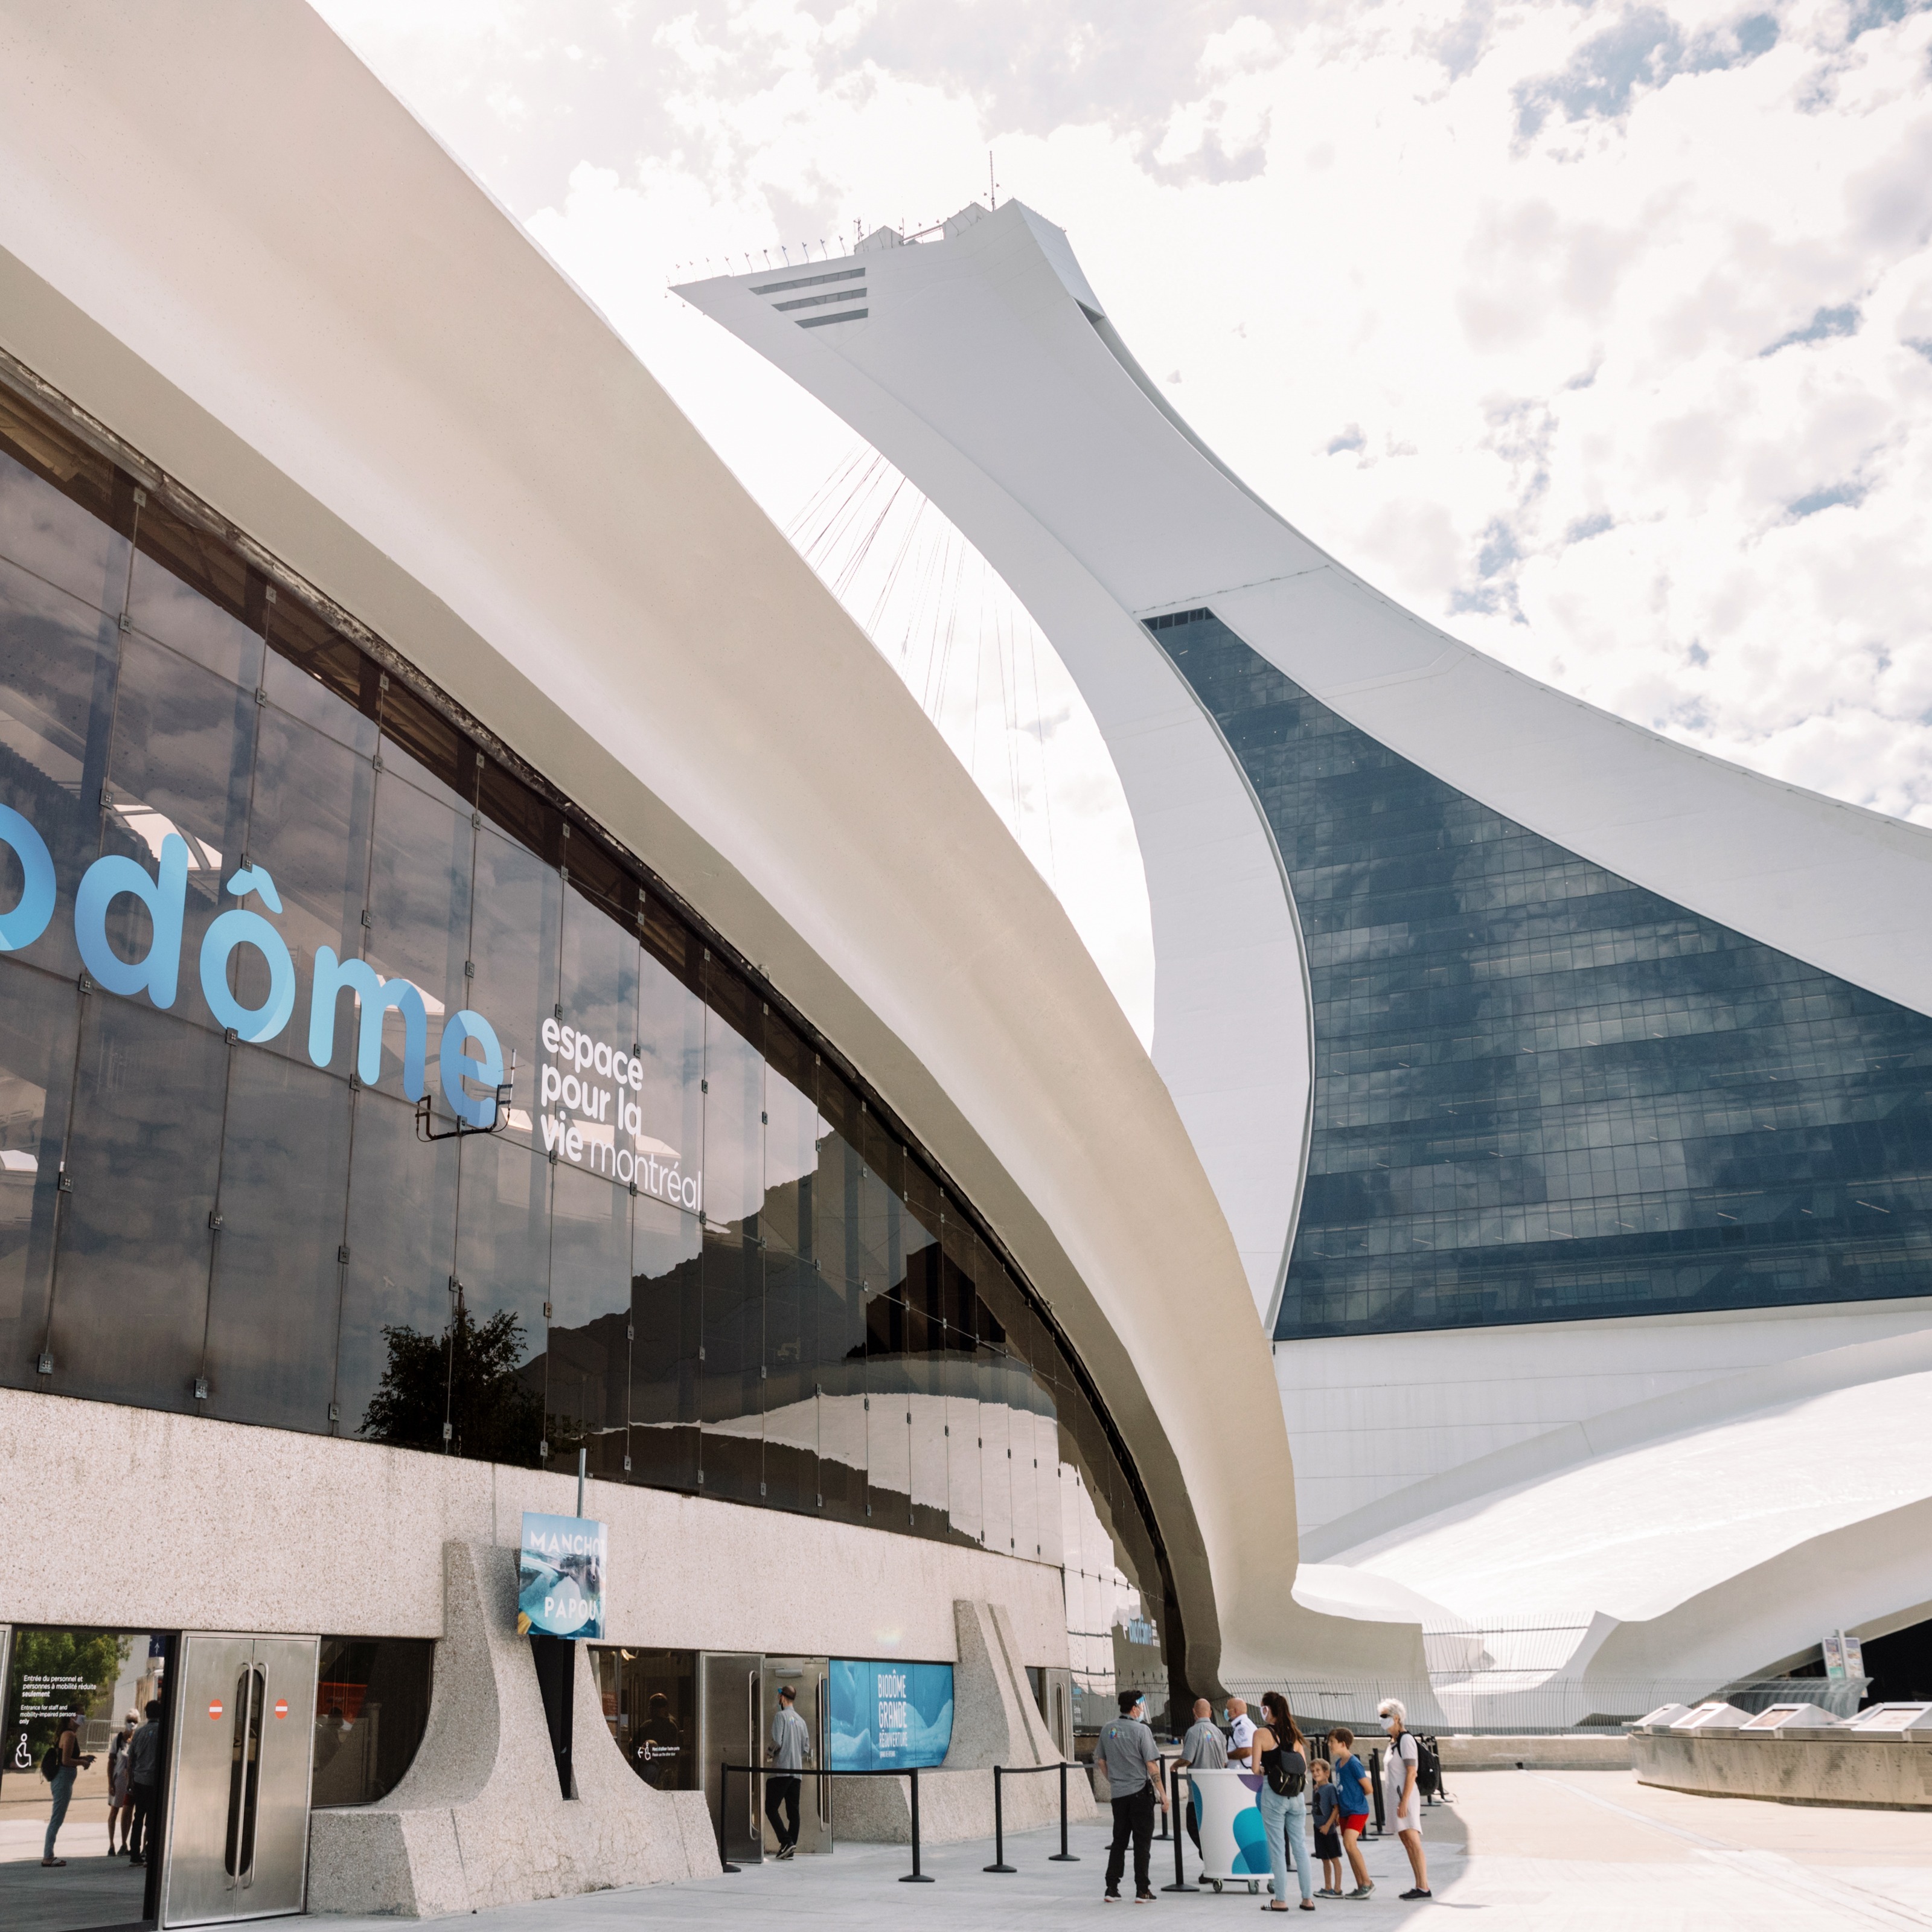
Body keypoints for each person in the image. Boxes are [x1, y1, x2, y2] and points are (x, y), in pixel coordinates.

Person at [1098, 1688, 1166, 1902]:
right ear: (1135, 1707)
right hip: (1140, 1793)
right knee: (1142, 1843)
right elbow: (1151, 1765)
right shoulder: (1141, 1731)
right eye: (1142, 1705)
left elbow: (1101, 1760)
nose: (1143, 1709)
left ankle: (1111, 1888)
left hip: (1119, 1795)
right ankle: (1142, 1889)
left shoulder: (1108, 1729)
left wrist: (1114, 1780)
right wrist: (1163, 1794)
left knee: (1119, 1841)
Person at [1251, 1692, 1313, 1913]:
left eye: (1263, 1707)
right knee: (1300, 1848)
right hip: (1296, 1796)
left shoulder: (1261, 1734)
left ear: (1268, 1709)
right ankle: (1308, 1899)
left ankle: (1280, 1900)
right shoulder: (1294, 1734)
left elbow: (1255, 1768)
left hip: (1273, 1793)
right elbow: (1303, 1767)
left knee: (1277, 1848)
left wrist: (1268, 1769)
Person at [1378, 1700, 1430, 1901]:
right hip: (1398, 1797)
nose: (1381, 1721)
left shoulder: (1406, 1740)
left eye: (1385, 1717)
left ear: (1396, 1718)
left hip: (1405, 1797)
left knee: (1413, 1841)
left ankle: (1423, 1886)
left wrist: (1404, 1801)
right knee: (1407, 1841)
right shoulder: (1393, 1742)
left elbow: (1412, 1772)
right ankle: (1419, 1885)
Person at [764, 1684, 812, 1860]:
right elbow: (806, 1748)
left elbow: (777, 1740)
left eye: (779, 1697)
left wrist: (769, 1753)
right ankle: (790, 1846)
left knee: (771, 1808)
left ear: (783, 1698)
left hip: (781, 1770)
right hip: (796, 1773)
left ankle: (786, 1841)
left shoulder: (781, 1717)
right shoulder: (800, 1720)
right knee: (793, 1812)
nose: (778, 1700)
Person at [42, 1709, 95, 1866]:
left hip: (63, 1779)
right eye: (81, 1714)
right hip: (63, 1778)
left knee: (58, 1817)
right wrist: (82, 1763)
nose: (83, 1717)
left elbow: (66, 1757)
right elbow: (66, 1761)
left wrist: (83, 1758)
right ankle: (48, 1856)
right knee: (57, 1818)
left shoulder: (67, 1734)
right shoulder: (70, 1735)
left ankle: (49, 1855)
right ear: (72, 1716)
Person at [1177, 1697, 1227, 1861]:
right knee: (1212, 1828)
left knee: (1193, 1826)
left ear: (1194, 1712)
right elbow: (1224, 1761)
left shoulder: (1193, 1732)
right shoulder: (1219, 1733)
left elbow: (1188, 1759)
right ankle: (1213, 1858)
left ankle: (1210, 1857)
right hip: (1217, 1790)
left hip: (1198, 1791)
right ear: (1210, 1713)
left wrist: (1174, 1766)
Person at [1328, 1727, 1374, 1899]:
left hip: (1357, 1811)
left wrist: (1354, 1799)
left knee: (1350, 1844)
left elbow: (1369, 1788)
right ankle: (1360, 1885)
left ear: (1343, 1743)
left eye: (1332, 1742)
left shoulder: (1354, 1763)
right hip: (1346, 1811)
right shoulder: (1339, 1764)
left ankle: (1368, 1882)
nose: (1330, 1745)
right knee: (1349, 1848)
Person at [126, 1700, 163, 1867]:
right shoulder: (163, 1732)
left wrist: (130, 1781)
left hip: (139, 1780)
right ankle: (149, 1854)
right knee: (153, 1819)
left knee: (138, 1817)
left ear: (147, 1714)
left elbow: (131, 1759)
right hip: (155, 1780)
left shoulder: (139, 1734)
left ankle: (134, 1855)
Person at [1310, 1759, 1343, 1897]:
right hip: (1318, 1829)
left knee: (1334, 1859)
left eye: (1318, 1770)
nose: (1315, 1773)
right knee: (1324, 1859)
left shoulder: (1330, 1789)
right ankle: (1328, 1886)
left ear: (1327, 1773)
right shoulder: (1317, 1788)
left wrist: (1328, 1825)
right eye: (1312, 1771)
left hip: (1328, 1830)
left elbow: (1336, 1808)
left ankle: (1337, 1889)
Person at [107, 1712, 139, 1854]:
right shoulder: (118, 1740)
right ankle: (111, 1844)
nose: (131, 1723)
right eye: (129, 1720)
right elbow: (110, 1762)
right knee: (114, 1811)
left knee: (127, 1812)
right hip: (118, 1779)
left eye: (134, 1721)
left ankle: (124, 1843)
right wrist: (110, 1783)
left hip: (131, 1782)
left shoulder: (137, 1740)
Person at [1227, 1695, 1257, 1768]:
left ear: (1235, 1711)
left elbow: (1247, 1750)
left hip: (1242, 1773)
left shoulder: (1242, 1727)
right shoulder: (1249, 1724)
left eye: (1228, 1709)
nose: (1226, 1712)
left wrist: (1226, 1756)